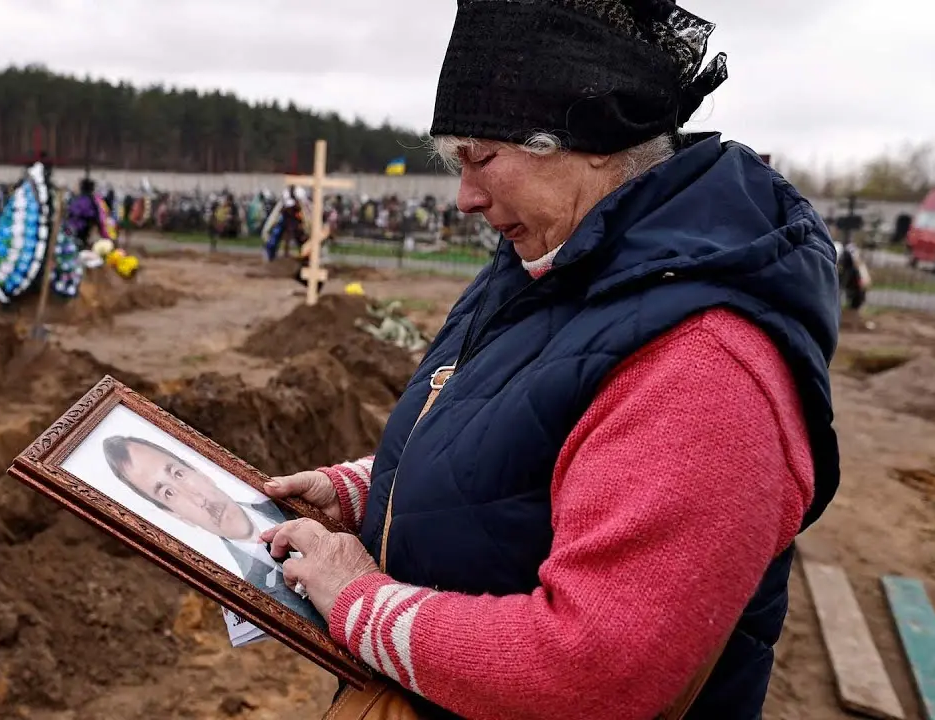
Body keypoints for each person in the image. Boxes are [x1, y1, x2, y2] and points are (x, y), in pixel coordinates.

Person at [259, 2, 840, 719]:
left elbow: (593, 670)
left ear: (591, 141)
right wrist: (373, 492)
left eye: (482, 157)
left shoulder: (702, 364)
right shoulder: (549, 263)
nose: (466, 197)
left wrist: (358, 602)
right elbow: (525, 444)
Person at [100, 435, 324, 626]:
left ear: (200, 471)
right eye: (168, 493)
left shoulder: (300, 505)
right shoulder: (247, 593)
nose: (198, 499)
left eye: (178, 474)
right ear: (175, 515)